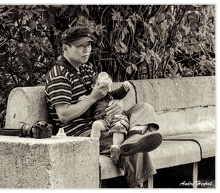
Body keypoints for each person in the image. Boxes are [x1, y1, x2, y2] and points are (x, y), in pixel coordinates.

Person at [45, 26, 163, 188]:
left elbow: (107, 97)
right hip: (84, 132)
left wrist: (117, 104)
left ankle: (134, 138)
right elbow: (63, 115)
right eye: (80, 46)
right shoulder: (59, 74)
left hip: (105, 121)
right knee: (129, 147)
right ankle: (135, 177)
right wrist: (94, 96)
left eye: (89, 45)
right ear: (65, 48)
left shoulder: (86, 69)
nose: (86, 50)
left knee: (143, 108)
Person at [79, 71, 131, 165]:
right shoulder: (91, 99)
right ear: (93, 86)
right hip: (102, 119)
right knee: (96, 125)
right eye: (102, 86)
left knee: (118, 128)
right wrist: (82, 102)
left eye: (107, 86)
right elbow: (86, 113)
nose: (105, 89)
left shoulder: (110, 95)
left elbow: (119, 93)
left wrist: (125, 88)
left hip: (116, 117)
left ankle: (116, 147)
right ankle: (93, 147)